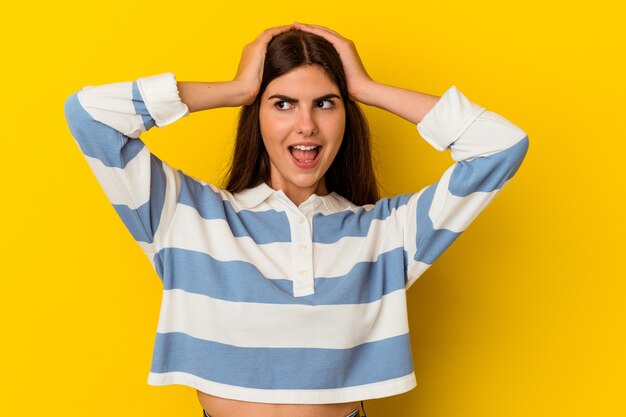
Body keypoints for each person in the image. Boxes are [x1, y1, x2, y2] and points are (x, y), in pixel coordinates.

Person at [64, 23, 529, 417]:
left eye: (325, 103)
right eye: (282, 103)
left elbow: (501, 146)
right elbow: (88, 115)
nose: (305, 125)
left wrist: (365, 88)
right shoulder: (187, 215)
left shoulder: (388, 232)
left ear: (347, 116)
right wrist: (236, 89)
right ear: (257, 115)